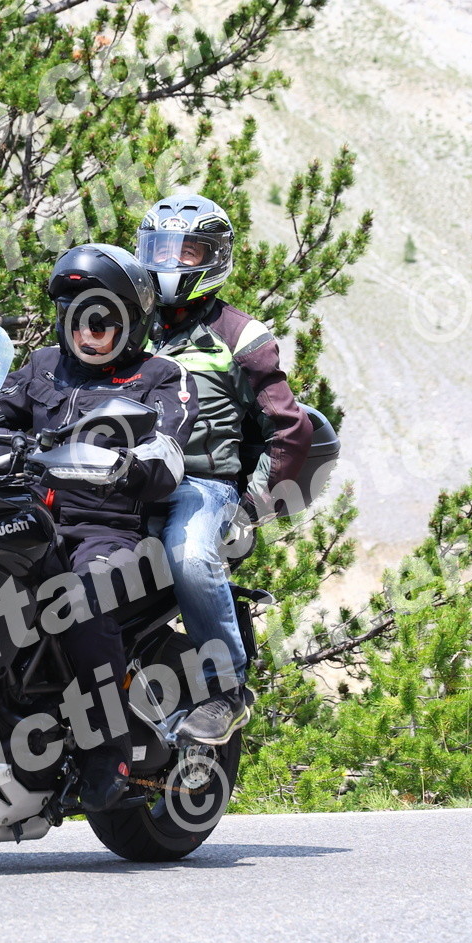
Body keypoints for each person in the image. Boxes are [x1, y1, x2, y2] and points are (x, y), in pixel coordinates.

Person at [0, 243, 197, 811]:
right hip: (26, 517)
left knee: (81, 599)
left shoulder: (159, 376)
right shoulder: (41, 368)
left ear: (131, 323)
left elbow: (167, 449)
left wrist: (128, 463)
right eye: (78, 318)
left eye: (102, 321)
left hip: (106, 528)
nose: (88, 332)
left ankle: (108, 746)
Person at [136, 193, 315, 744]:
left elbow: (290, 430)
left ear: (214, 257)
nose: (172, 262)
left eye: (187, 251)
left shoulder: (240, 335)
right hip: (123, 478)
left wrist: (250, 508)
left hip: (200, 485)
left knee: (191, 557)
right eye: (162, 250)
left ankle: (225, 691)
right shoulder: (126, 325)